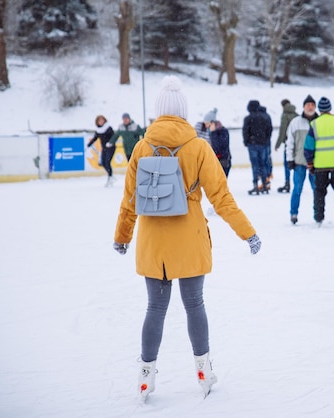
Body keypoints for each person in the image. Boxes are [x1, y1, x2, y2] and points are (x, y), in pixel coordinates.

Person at [112, 75, 261, 402]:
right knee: (194, 304)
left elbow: (129, 200)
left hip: (153, 241)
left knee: (155, 307)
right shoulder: (198, 147)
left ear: (158, 112)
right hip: (189, 237)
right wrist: (247, 232)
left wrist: (122, 236)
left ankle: (145, 374)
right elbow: (221, 197)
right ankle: (203, 368)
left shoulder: (141, 146)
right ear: (182, 111)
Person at [304, 97, 334, 226]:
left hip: (320, 165)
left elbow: (308, 146)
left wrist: (310, 162)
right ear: (330, 108)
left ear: (319, 109)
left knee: (319, 192)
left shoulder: (314, 124)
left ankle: (318, 218)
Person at [286, 94, 318, 224]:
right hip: (299, 162)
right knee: (297, 189)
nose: (310, 107)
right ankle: (293, 213)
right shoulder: (295, 122)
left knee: (317, 190)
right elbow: (290, 142)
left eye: (312, 105)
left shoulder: (319, 122)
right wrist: (290, 159)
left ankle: (318, 213)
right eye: (307, 105)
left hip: (316, 163)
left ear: (315, 107)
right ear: (303, 107)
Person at [243, 100, 273, 195]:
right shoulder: (264, 117)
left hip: (253, 144)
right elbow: (269, 129)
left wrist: (246, 141)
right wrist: (265, 139)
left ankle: (256, 184)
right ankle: (264, 183)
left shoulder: (248, 118)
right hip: (263, 144)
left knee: (255, 165)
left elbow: (245, 131)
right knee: (263, 164)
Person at [275, 99, 298, 193]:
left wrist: (277, 144)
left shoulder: (285, 115)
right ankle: (297, 184)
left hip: (288, 143)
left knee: (287, 164)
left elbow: (282, 131)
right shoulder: (296, 115)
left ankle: (287, 183)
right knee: (297, 165)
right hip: (297, 144)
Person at [87, 115, 116, 186]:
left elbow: (114, 137)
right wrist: (89, 144)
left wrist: (110, 142)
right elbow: (95, 138)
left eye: (102, 120)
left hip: (110, 147)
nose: (101, 122)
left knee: (107, 162)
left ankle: (110, 177)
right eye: (99, 121)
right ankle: (110, 175)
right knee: (103, 163)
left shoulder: (109, 128)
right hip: (104, 148)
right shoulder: (98, 130)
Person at [206, 108, 232, 177]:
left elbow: (217, 147)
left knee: (220, 184)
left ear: (212, 123)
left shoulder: (223, 131)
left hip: (223, 162)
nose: (206, 126)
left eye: (207, 123)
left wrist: (213, 132)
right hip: (216, 161)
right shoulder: (210, 132)